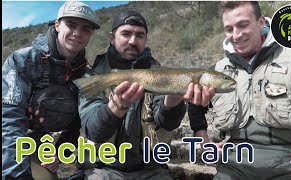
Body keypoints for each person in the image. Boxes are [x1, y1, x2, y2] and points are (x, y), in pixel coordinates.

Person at [76, 10, 214, 179]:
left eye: (140, 35)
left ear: (145, 39)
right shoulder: (95, 76)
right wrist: (117, 106)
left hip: (150, 168)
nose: (133, 41)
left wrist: (173, 99)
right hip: (104, 167)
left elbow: (167, 124)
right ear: (112, 38)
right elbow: (93, 131)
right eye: (126, 34)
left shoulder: (160, 72)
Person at [188, 1, 291, 180]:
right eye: (229, 29)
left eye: (243, 25)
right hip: (230, 169)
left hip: (289, 169)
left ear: (261, 22)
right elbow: (195, 109)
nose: (236, 35)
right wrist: (205, 142)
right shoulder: (215, 72)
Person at [2, 1, 100, 179]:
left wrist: (60, 152)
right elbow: (10, 120)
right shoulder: (22, 61)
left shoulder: (87, 74)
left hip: (44, 142)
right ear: (57, 25)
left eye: (85, 29)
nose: (77, 33)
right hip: (12, 139)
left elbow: (77, 122)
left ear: (91, 34)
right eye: (71, 25)